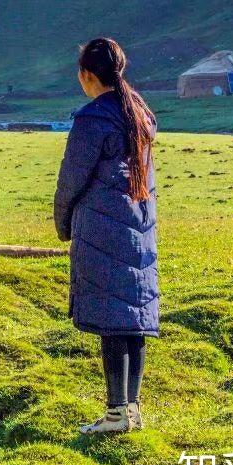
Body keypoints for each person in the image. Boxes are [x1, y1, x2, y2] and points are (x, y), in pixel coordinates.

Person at [53, 37, 158, 434]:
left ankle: (116, 415)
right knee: (135, 319)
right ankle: (131, 410)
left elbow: (72, 179)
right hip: (140, 228)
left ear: (87, 75)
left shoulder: (92, 119)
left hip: (102, 227)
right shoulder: (139, 114)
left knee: (114, 321)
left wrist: (62, 222)